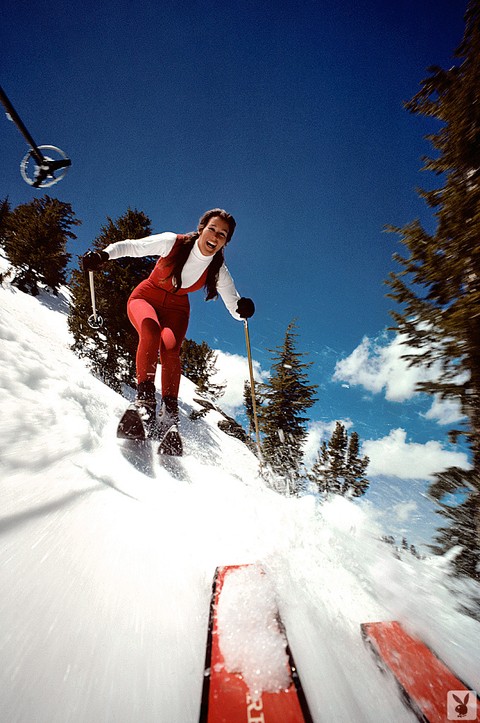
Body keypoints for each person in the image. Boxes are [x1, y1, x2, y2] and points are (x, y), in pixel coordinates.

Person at [82, 208, 255, 442]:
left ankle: (169, 416)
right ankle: (144, 403)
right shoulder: (172, 243)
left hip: (177, 309)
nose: (214, 237)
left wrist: (242, 309)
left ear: (225, 242)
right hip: (146, 296)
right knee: (150, 331)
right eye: (212, 229)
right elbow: (133, 247)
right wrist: (104, 255)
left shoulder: (217, 270)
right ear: (201, 229)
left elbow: (233, 304)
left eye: (222, 235)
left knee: (171, 348)